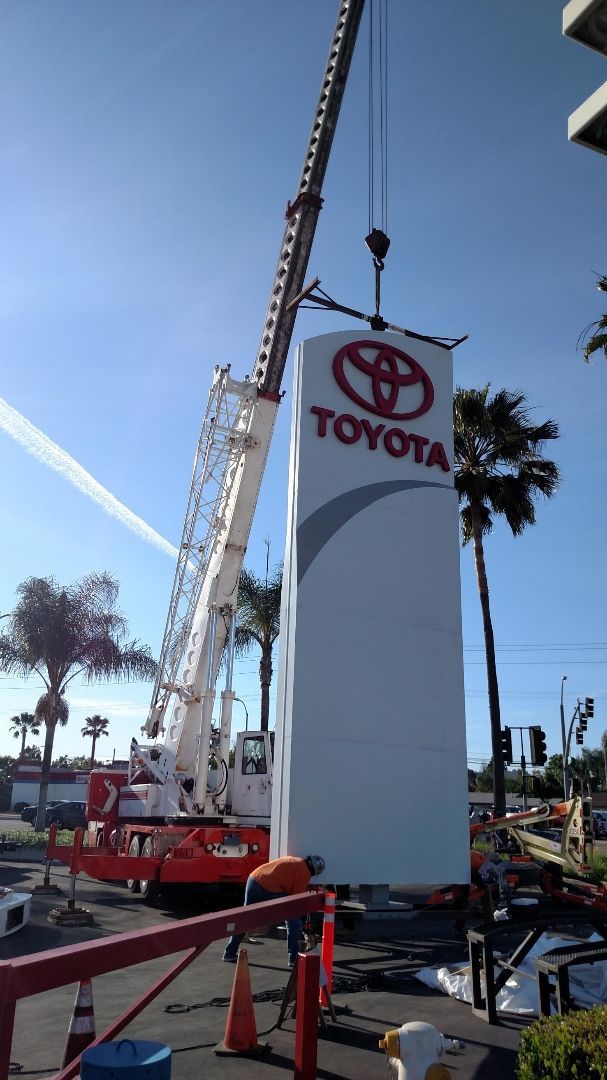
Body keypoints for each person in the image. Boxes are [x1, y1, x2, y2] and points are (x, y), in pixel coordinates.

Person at [222, 854, 325, 967]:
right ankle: (294, 958)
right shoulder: (305, 874)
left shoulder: (294, 860)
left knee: (245, 918)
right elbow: (296, 901)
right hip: (269, 886)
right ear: (314, 872)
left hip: (254, 879)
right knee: (294, 920)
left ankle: (229, 953)